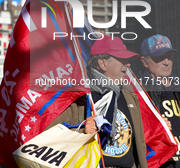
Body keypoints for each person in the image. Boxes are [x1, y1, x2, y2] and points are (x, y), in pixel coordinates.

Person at [47, 36, 148, 167]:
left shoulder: (130, 97)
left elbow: (140, 141)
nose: (128, 64)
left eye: (127, 59)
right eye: (122, 59)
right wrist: (81, 130)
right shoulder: (78, 96)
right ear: (103, 63)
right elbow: (50, 135)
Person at [138, 34, 180, 168]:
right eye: (160, 58)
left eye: (169, 57)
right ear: (144, 61)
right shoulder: (137, 92)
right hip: (158, 162)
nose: (166, 62)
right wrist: (154, 128)